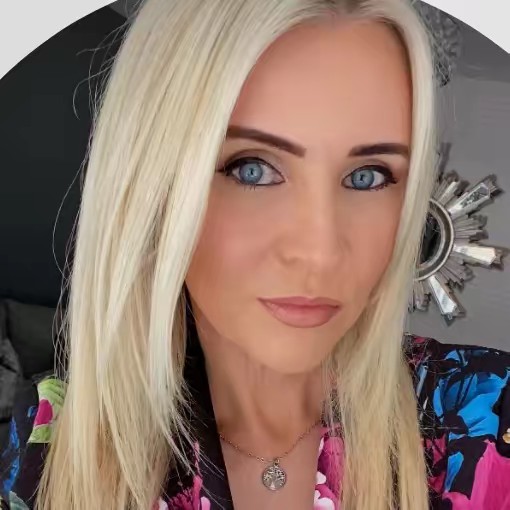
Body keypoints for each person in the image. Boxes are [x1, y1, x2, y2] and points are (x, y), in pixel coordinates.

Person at [1, 0, 509, 508]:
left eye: (367, 176)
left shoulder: (487, 415)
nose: (319, 253)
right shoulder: (55, 444)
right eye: (252, 169)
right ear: (153, 190)